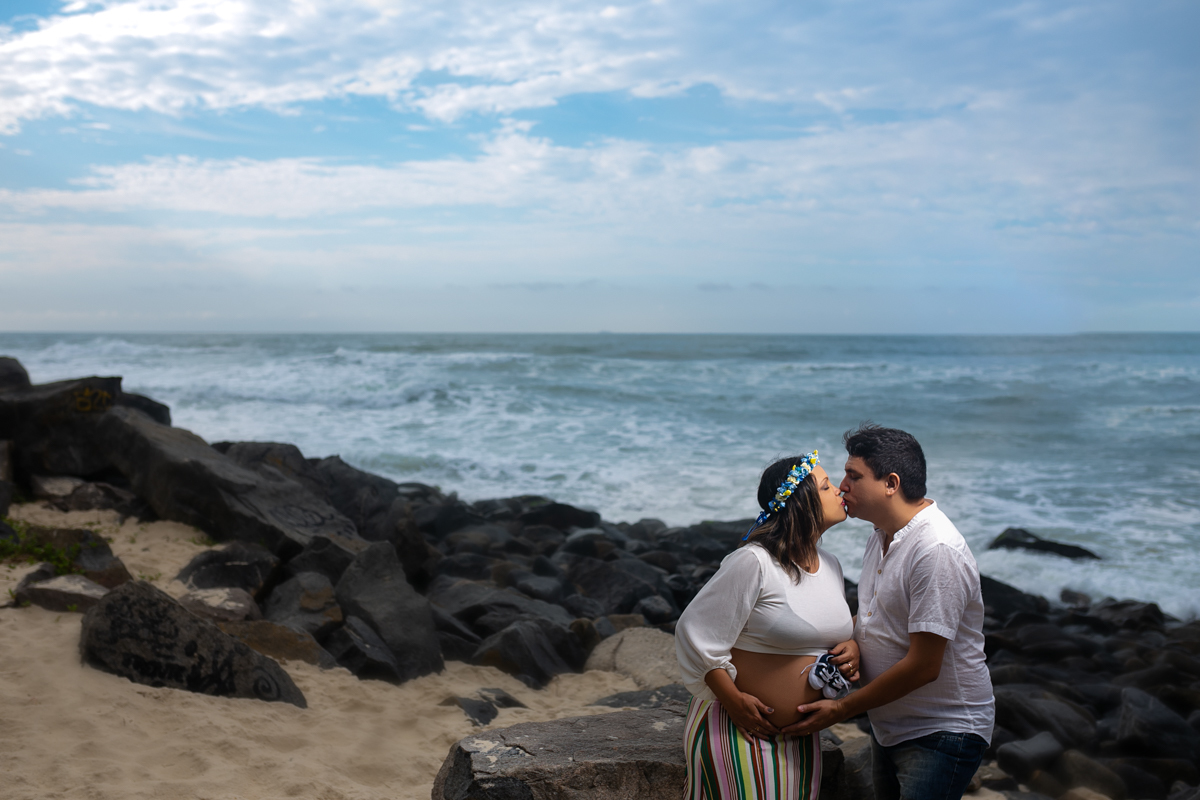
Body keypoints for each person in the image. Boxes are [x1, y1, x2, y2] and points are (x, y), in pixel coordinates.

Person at [781, 424, 995, 800]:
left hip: (942, 731)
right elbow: (876, 617)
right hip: (892, 725)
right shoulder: (882, 534)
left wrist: (841, 709)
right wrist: (853, 639)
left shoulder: (935, 551)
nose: (843, 486)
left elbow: (924, 666)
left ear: (891, 483)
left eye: (854, 476)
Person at [675, 451, 861, 800]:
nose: (839, 490)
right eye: (826, 486)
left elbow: (825, 634)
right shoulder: (754, 562)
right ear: (803, 502)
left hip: (800, 739)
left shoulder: (832, 565)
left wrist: (852, 646)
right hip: (738, 730)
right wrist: (733, 701)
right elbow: (694, 633)